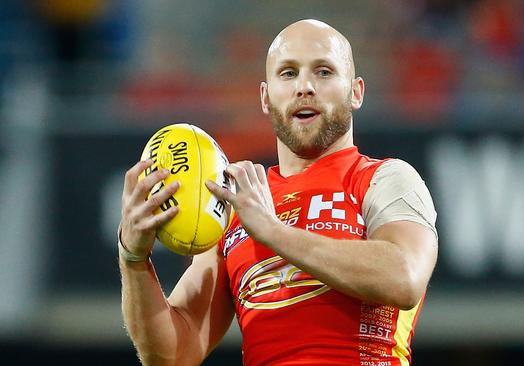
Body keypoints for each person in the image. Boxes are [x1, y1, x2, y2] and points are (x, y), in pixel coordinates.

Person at [119, 19, 438, 365]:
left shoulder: (385, 178)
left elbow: (404, 277)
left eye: (324, 72)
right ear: (265, 97)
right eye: (288, 73)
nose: (305, 86)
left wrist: (273, 231)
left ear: (356, 92)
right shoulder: (236, 206)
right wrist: (133, 259)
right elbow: (173, 355)